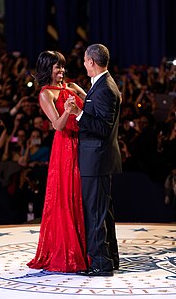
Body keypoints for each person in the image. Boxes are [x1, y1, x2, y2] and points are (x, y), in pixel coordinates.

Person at [27, 50, 88, 273]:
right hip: (64, 147)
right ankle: (67, 251)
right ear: (47, 69)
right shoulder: (46, 94)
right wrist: (69, 111)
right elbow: (57, 125)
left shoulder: (71, 87)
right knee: (65, 195)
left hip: (82, 143)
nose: (61, 71)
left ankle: (84, 247)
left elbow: (90, 99)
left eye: (62, 66)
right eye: (57, 67)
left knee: (80, 194)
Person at [65, 44, 122, 277]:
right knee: (103, 213)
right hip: (99, 160)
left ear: (91, 62)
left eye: (85, 61)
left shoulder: (105, 89)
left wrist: (77, 113)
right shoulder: (103, 85)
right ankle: (110, 258)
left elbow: (103, 127)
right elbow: (98, 111)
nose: (84, 64)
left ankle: (101, 264)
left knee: (95, 214)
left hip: (96, 160)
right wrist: (81, 95)